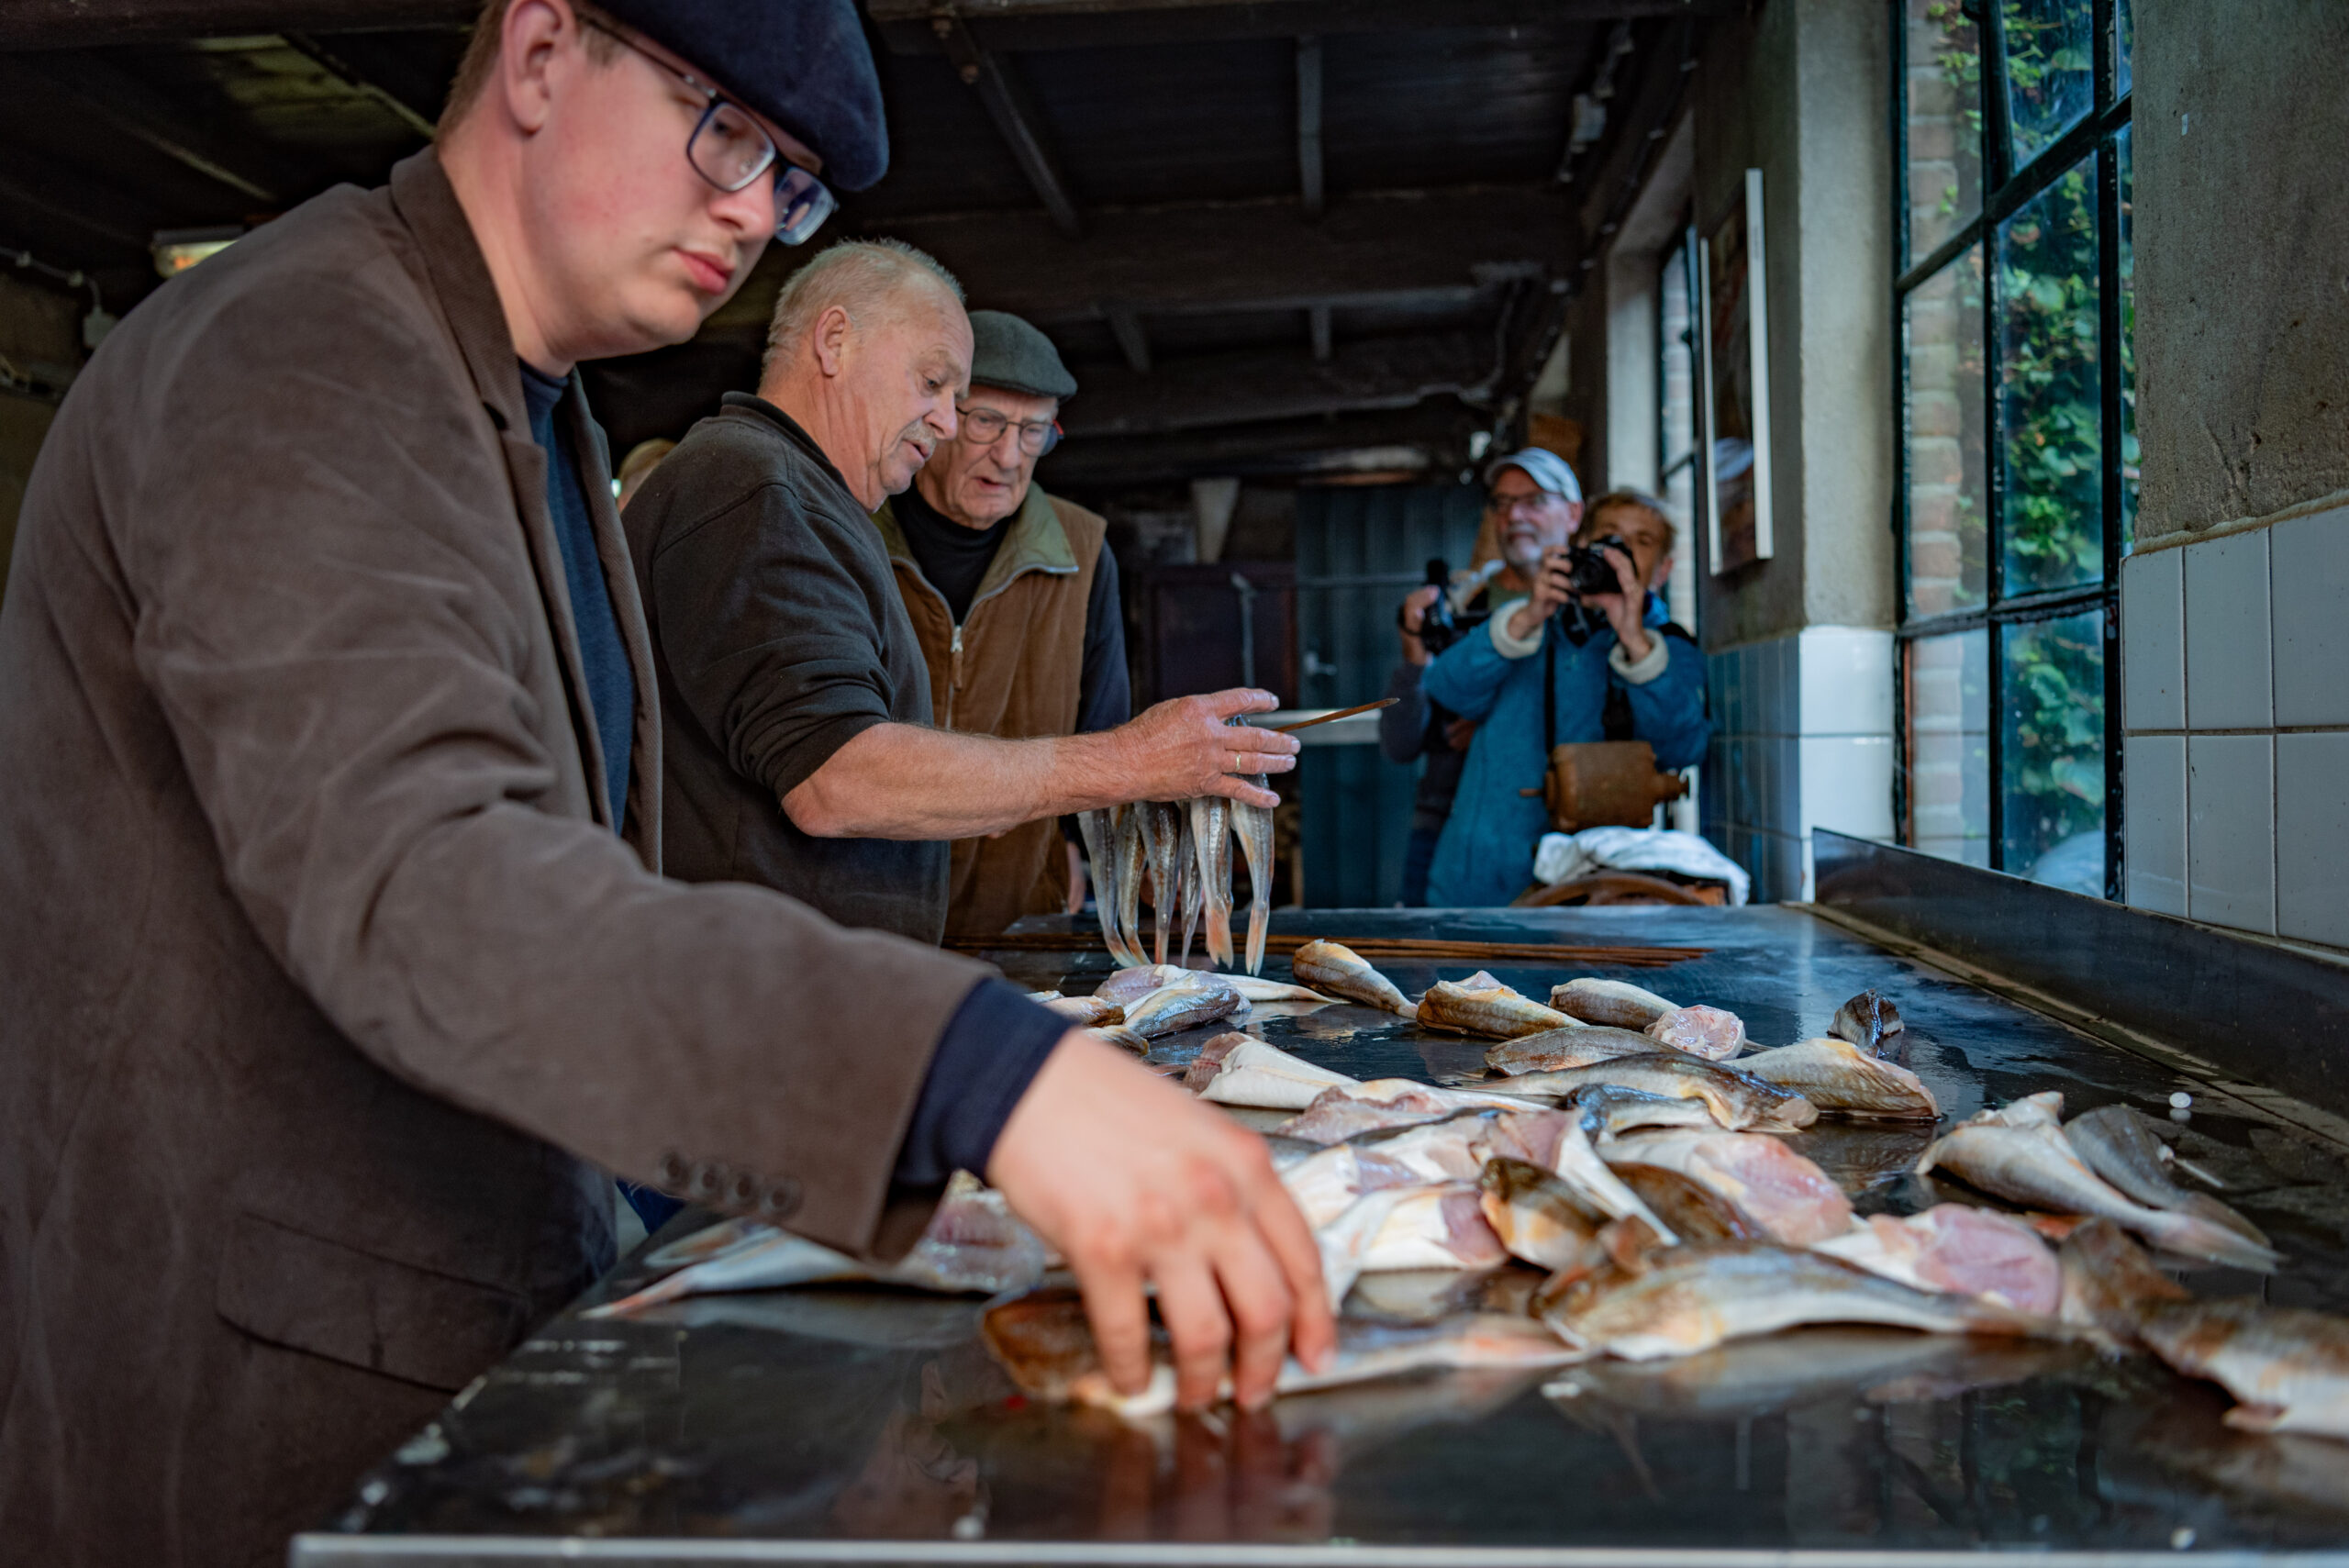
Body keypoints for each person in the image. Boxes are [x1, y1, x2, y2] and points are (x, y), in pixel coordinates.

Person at [0, 4, 1327, 1561]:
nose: (758, 210)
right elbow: (432, 883)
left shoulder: (528, 405)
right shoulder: (305, 348)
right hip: (258, 1399)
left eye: (795, 184)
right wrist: (974, 1066)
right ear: (544, 53)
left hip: (468, 1314)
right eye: (728, 132)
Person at [623, 244, 1283, 944]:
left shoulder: (802, 497)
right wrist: (1129, 761)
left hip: (820, 983)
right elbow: (837, 776)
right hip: (748, 993)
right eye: (935, 385)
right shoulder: (755, 488)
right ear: (835, 341)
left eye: (1030, 430)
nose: (943, 423)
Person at [871, 308, 1129, 940]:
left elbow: (1106, 724)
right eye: (986, 421)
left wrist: (1074, 844)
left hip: (1022, 913)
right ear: (936, 414)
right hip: (867, 907)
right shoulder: (854, 531)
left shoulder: (1083, 550)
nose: (1009, 455)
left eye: (1034, 430)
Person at [1420, 463, 1708, 906]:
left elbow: (1683, 748)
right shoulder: (1530, 621)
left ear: (1664, 570)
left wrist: (1634, 641)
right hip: (1483, 879)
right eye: (1609, 538)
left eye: (1642, 541)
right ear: (1580, 546)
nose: (1621, 552)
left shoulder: (1667, 646)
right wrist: (1527, 616)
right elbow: (1447, 689)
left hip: (1600, 886)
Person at [1380, 582, 1477, 906]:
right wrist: (1414, 659)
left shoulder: (1564, 616)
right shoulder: (1458, 607)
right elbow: (1399, 746)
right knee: (1422, 943)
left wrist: (1492, 727)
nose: (1514, 525)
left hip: (1531, 828)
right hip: (1437, 822)